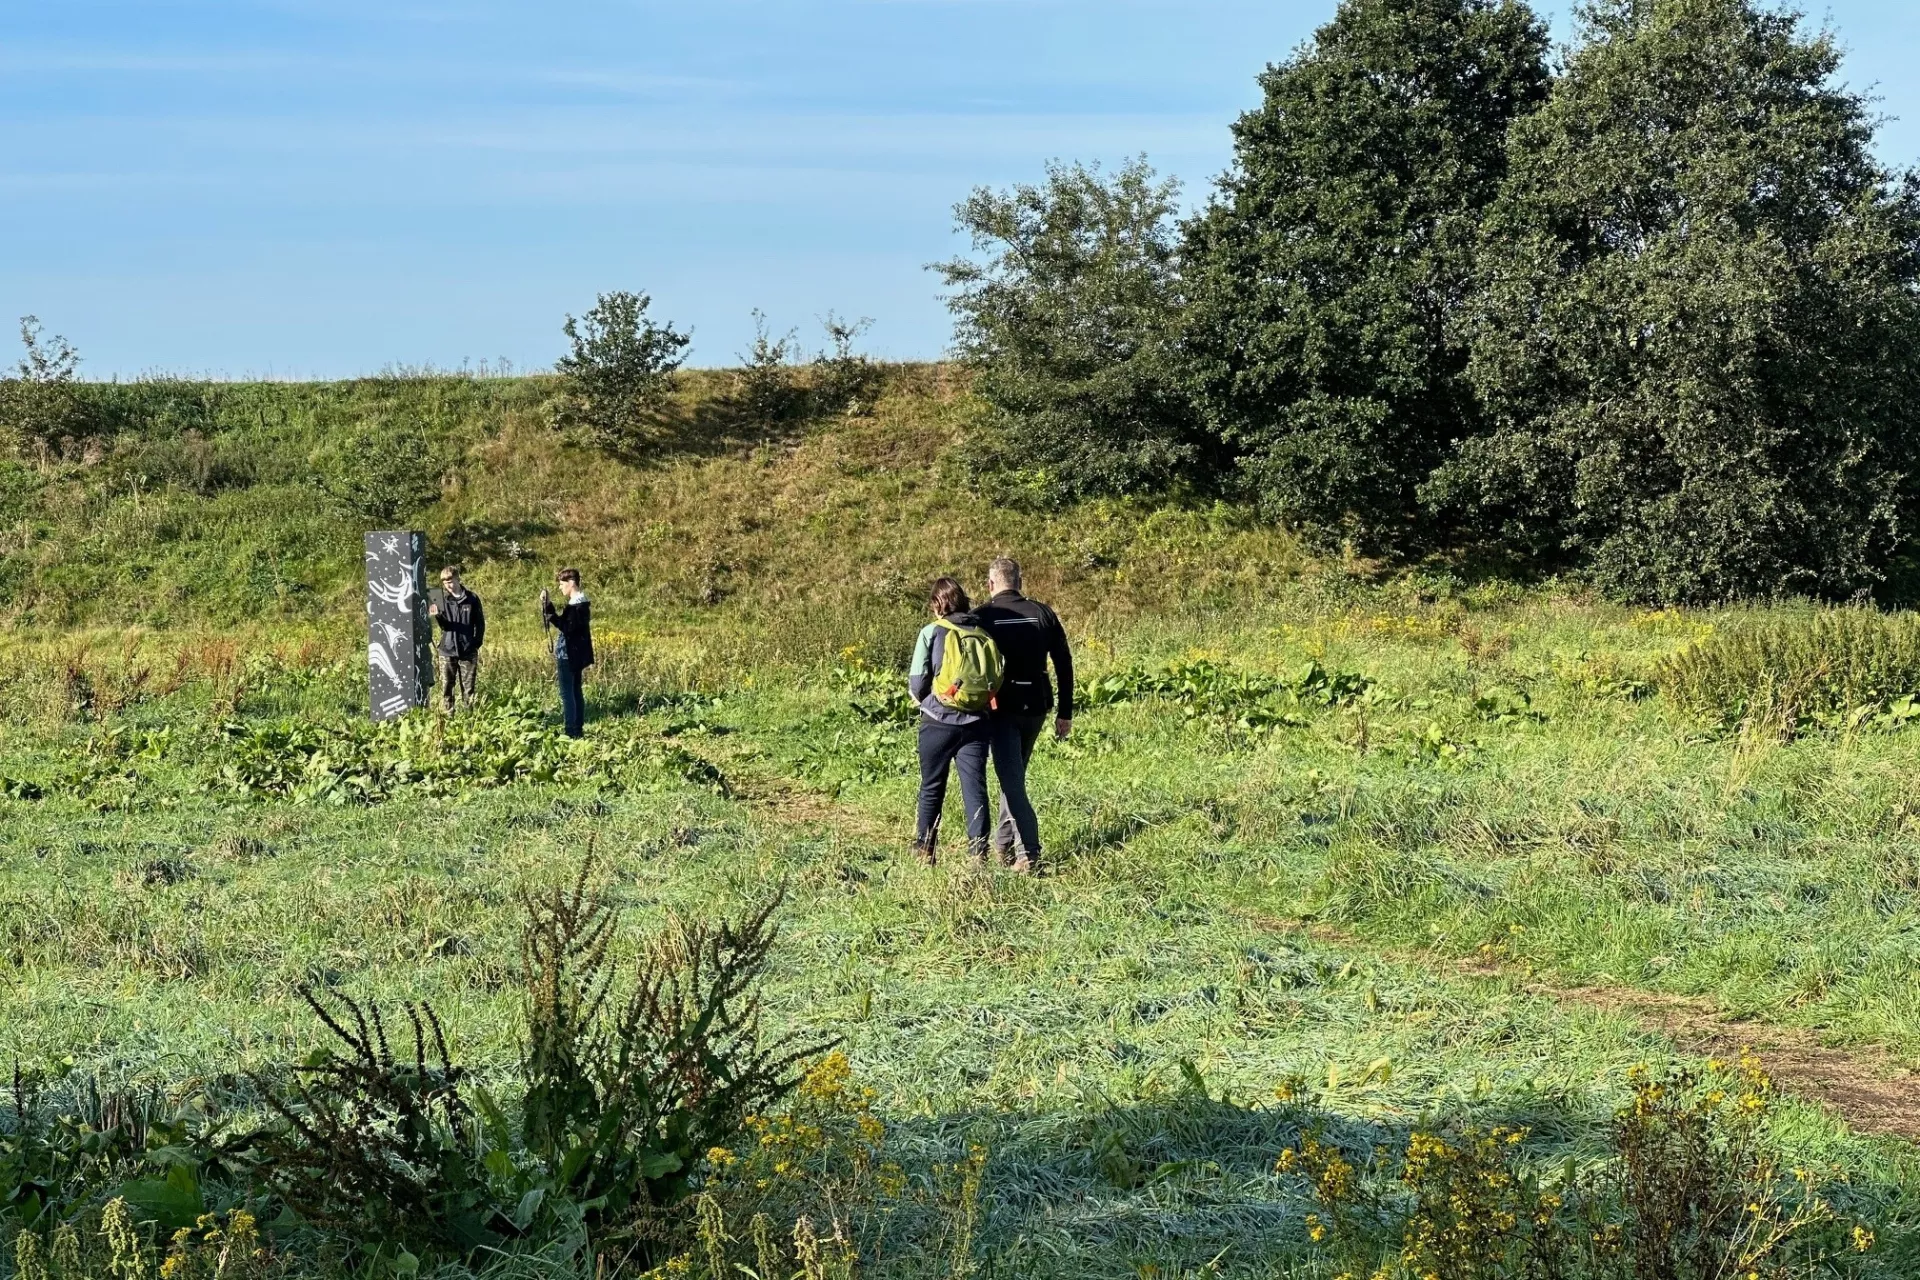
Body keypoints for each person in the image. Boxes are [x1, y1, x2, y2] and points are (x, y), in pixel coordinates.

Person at [973, 556, 1072, 873]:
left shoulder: (983, 617)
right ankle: (1003, 846)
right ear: (1020, 582)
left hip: (1001, 708)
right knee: (1012, 776)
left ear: (991, 584)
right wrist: (1065, 711)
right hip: (1037, 706)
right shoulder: (1043, 613)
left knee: (1012, 781)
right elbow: (1064, 663)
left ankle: (1028, 853)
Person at [906, 577, 999, 866]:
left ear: (937, 604)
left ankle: (925, 849)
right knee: (975, 788)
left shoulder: (932, 632)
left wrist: (929, 703)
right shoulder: (982, 632)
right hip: (977, 723)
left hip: (937, 722)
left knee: (932, 786)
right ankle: (978, 854)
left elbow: (917, 683)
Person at [541, 567, 594, 738]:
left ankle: (571, 731)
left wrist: (551, 614)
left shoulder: (576, 607)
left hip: (568, 654)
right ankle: (577, 729)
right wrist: (549, 607)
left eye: (562, 584)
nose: (560, 587)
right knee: (576, 691)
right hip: (576, 653)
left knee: (567, 694)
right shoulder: (581, 603)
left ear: (571, 583)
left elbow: (566, 628)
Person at [428, 565, 485, 711]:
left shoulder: (472, 598)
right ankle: (448, 721)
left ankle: (470, 721)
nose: (448, 584)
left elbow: (479, 623)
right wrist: (437, 615)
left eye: (450, 580)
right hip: (447, 650)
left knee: (469, 690)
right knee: (447, 689)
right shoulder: (440, 598)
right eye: (445, 582)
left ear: (458, 578)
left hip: (468, 651)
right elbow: (445, 626)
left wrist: (476, 643)